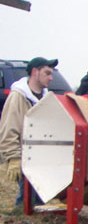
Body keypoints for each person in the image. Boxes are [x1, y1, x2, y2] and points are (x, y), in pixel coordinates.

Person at [0, 57, 58, 207]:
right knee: (25, 200)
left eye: (52, 74)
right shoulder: (18, 97)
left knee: (37, 200)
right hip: (25, 157)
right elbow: (8, 129)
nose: (51, 78)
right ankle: (18, 221)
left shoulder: (47, 98)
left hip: (41, 158)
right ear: (34, 72)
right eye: (47, 73)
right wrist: (13, 158)